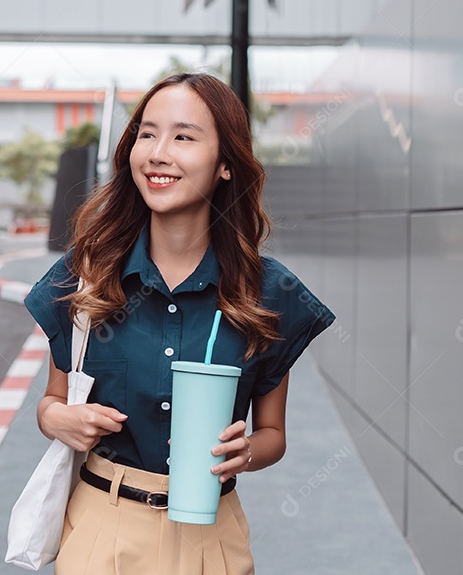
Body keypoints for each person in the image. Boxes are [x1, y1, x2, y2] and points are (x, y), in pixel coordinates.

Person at [24, 72, 336, 574]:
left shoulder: (268, 294)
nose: (157, 152)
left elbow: (272, 434)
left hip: (211, 536)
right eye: (147, 134)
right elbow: (51, 403)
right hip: (103, 528)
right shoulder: (86, 274)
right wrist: (59, 420)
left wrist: (245, 453)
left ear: (226, 165)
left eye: (183, 137)